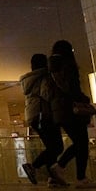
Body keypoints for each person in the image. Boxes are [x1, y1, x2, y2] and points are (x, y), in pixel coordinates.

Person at [46, 41, 96, 188]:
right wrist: (83, 99)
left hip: (59, 111)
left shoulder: (50, 68)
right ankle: (79, 177)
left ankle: (57, 173)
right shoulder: (67, 65)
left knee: (79, 142)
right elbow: (72, 88)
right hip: (71, 109)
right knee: (82, 143)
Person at [20, 53, 63, 184]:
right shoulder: (44, 76)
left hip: (33, 115)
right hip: (43, 114)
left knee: (51, 146)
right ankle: (33, 166)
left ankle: (54, 177)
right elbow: (47, 94)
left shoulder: (29, 79)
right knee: (57, 147)